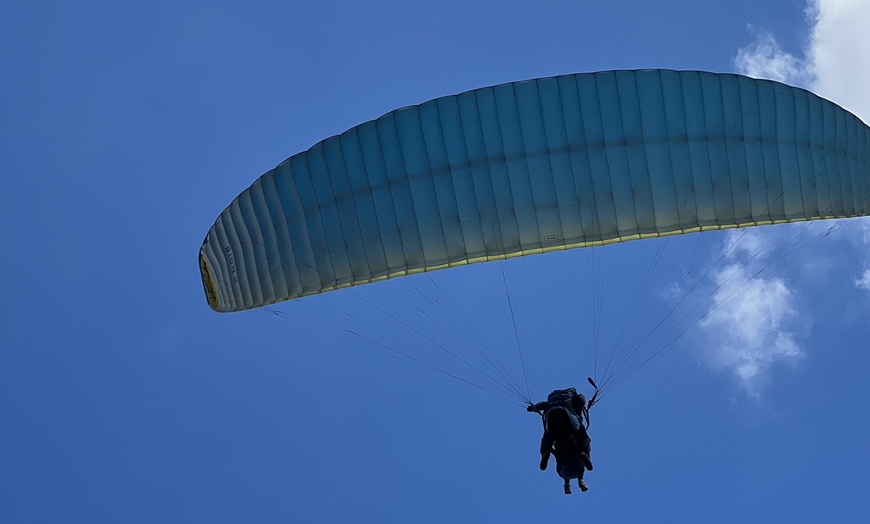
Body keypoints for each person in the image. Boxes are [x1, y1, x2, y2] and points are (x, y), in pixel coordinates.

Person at [527, 387, 593, 494]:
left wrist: (532, 408)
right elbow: (582, 399)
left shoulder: (548, 403)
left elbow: (539, 406)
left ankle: (545, 452)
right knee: (583, 436)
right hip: (568, 422)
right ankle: (583, 452)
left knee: (548, 438)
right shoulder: (574, 399)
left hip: (553, 421)